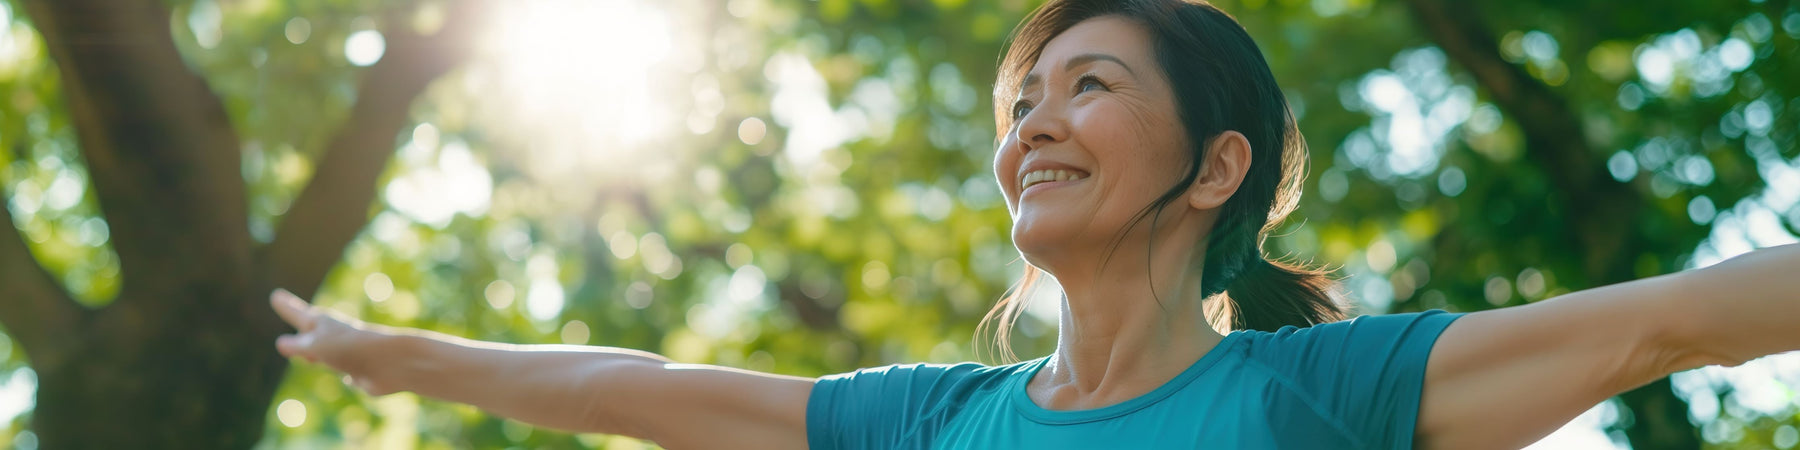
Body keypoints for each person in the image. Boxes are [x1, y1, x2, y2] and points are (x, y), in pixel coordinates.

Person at [269, 0, 1800, 448]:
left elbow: (1671, 316)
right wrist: (390, 353)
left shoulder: (1317, 391)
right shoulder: (935, 420)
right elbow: (625, 389)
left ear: (1215, 170)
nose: (1033, 125)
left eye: (1089, 88)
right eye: (1023, 101)